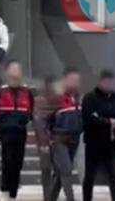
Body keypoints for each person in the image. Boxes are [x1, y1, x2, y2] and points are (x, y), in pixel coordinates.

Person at [0, 61, 34, 201]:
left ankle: (13, 193)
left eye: (18, 70)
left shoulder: (27, 92)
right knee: (7, 161)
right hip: (5, 130)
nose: (16, 73)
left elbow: (32, 112)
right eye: (13, 69)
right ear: (7, 73)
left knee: (18, 163)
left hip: (21, 131)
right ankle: (5, 191)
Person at [82, 69, 115, 201]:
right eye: (106, 82)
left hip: (112, 144)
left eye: (111, 82)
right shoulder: (90, 98)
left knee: (114, 175)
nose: (109, 85)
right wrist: (108, 122)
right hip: (94, 143)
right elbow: (90, 118)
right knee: (90, 175)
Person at [47, 67, 83, 201]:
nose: (75, 83)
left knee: (60, 172)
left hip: (74, 138)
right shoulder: (56, 97)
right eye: (72, 80)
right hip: (59, 139)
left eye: (77, 80)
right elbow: (44, 119)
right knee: (66, 169)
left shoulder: (78, 98)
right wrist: (48, 138)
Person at [34, 76, 62, 201]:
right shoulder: (40, 101)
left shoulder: (60, 101)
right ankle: (48, 196)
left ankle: (52, 195)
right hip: (44, 141)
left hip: (58, 139)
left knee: (59, 169)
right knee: (46, 169)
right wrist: (44, 142)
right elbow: (39, 123)